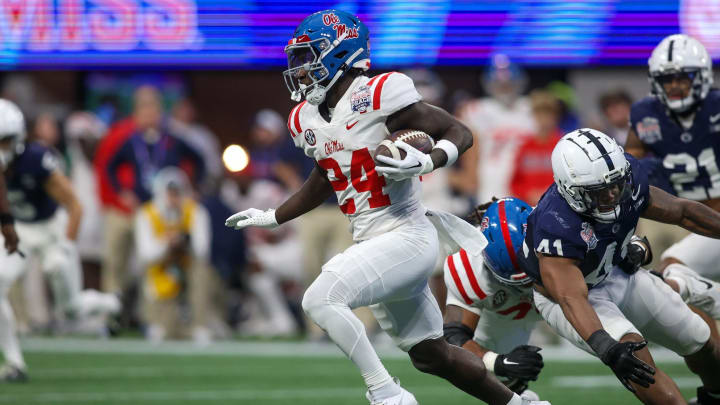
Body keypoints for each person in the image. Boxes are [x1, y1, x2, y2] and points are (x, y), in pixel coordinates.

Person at [226, 10, 549, 405]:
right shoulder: (304, 117)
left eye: (308, 57)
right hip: (372, 240)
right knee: (433, 355)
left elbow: (458, 132)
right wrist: (275, 215)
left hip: (405, 235)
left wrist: (430, 161)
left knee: (320, 299)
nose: (301, 69)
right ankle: (519, 404)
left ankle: (385, 393)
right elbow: (326, 175)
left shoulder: (379, 92)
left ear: (339, 53)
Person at [519, 128, 720, 404]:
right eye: (600, 191)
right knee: (637, 362)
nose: (613, 194)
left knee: (700, 339)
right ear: (571, 190)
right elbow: (571, 298)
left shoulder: (625, 177)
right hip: (575, 298)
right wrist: (607, 348)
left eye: (617, 184)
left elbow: (682, 212)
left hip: (616, 272)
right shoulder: (556, 223)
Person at [0, 99, 119, 382]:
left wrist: (65, 246)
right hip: (22, 231)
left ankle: (113, 304)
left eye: (3, 141)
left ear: (16, 139)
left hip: (52, 229)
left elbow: (75, 205)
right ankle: (15, 362)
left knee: (71, 307)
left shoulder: (35, 158)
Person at [625, 34, 720, 288]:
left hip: (714, 213)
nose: (674, 85)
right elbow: (628, 167)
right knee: (672, 281)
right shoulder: (646, 114)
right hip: (682, 216)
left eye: (683, 78)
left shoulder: (716, 108)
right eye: (668, 79)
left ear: (701, 77)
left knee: (673, 271)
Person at [443, 198, 544, 398]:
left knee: (615, 344)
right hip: (506, 315)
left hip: (563, 293)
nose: (524, 284)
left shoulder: (560, 229)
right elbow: (453, 336)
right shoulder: (468, 267)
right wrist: (497, 361)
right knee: (505, 382)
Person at [134, 167, 213, 344]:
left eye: (177, 192)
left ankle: (199, 324)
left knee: (201, 270)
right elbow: (146, 254)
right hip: (162, 267)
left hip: (186, 267)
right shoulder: (146, 214)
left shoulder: (195, 212)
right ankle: (155, 321)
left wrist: (184, 240)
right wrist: (166, 244)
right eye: (169, 192)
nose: (173, 198)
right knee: (146, 270)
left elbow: (202, 251)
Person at [456, 54, 536, 203]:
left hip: (527, 180)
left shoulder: (530, 107)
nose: (504, 88)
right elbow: (471, 149)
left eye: (508, 84)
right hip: (491, 181)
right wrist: (471, 176)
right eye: (500, 84)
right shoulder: (478, 109)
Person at [509, 90, 562, 205]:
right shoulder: (525, 146)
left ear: (555, 116)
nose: (543, 119)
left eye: (547, 114)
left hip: (557, 207)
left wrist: (549, 194)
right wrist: (527, 194)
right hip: (529, 207)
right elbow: (515, 182)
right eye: (539, 114)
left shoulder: (563, 145)